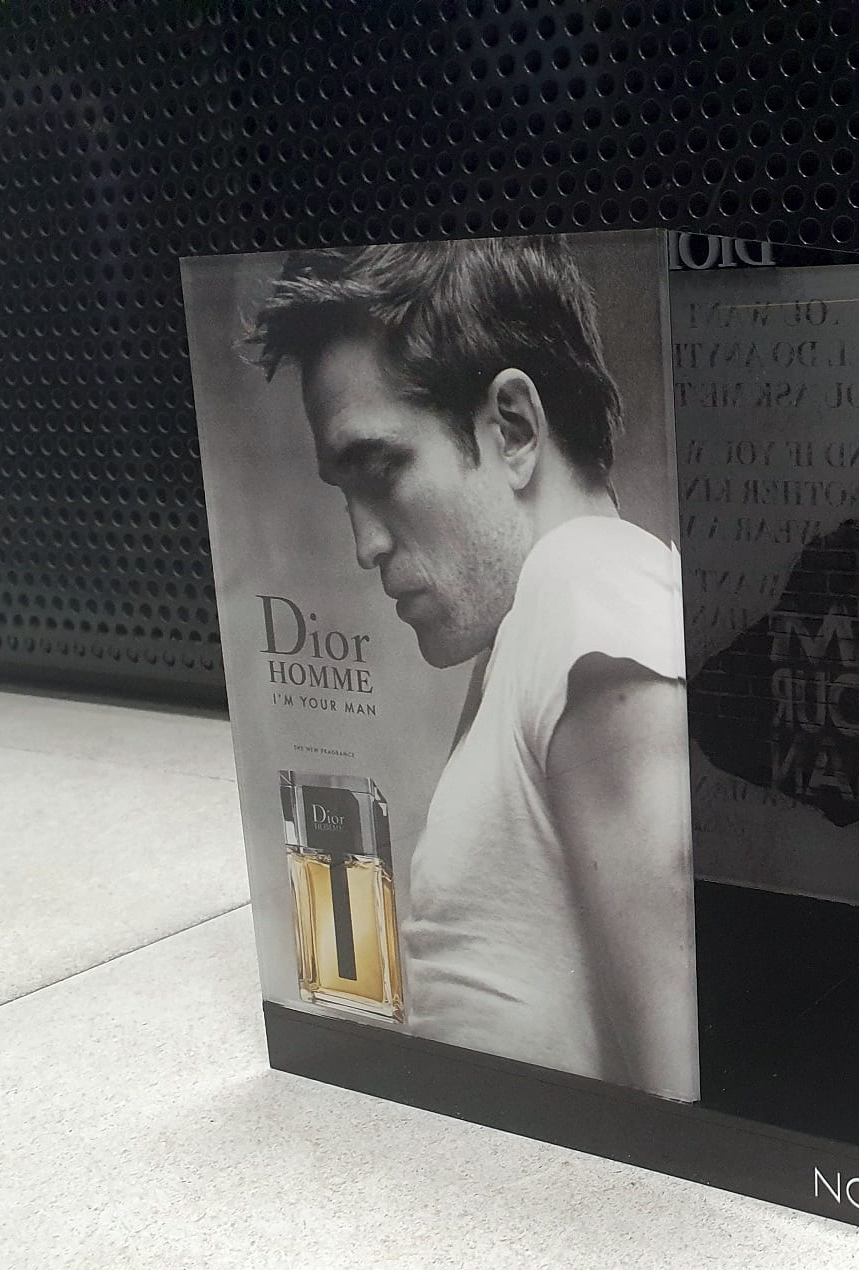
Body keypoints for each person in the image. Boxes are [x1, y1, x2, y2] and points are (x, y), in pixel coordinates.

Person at [249, 236, 698, 1102]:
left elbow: (675, 1105)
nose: (364, 543)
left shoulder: (587, 586)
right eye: (345, 493)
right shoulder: (534, 633)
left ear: (514, 429)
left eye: (381, 471)